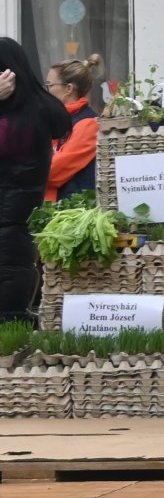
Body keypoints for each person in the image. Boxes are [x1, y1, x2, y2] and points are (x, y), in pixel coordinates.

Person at [0, 40, 73, 325]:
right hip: (24, 211)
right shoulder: (40, 106)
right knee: (18, 265)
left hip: (11, 211)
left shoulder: (18, 118)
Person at [46, 55, 103, 202]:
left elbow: (51, 171)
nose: (46, 91)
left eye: (50, 85)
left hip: (72, 209)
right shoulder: (60, 119)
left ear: (68, 89)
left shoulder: (89, 124)